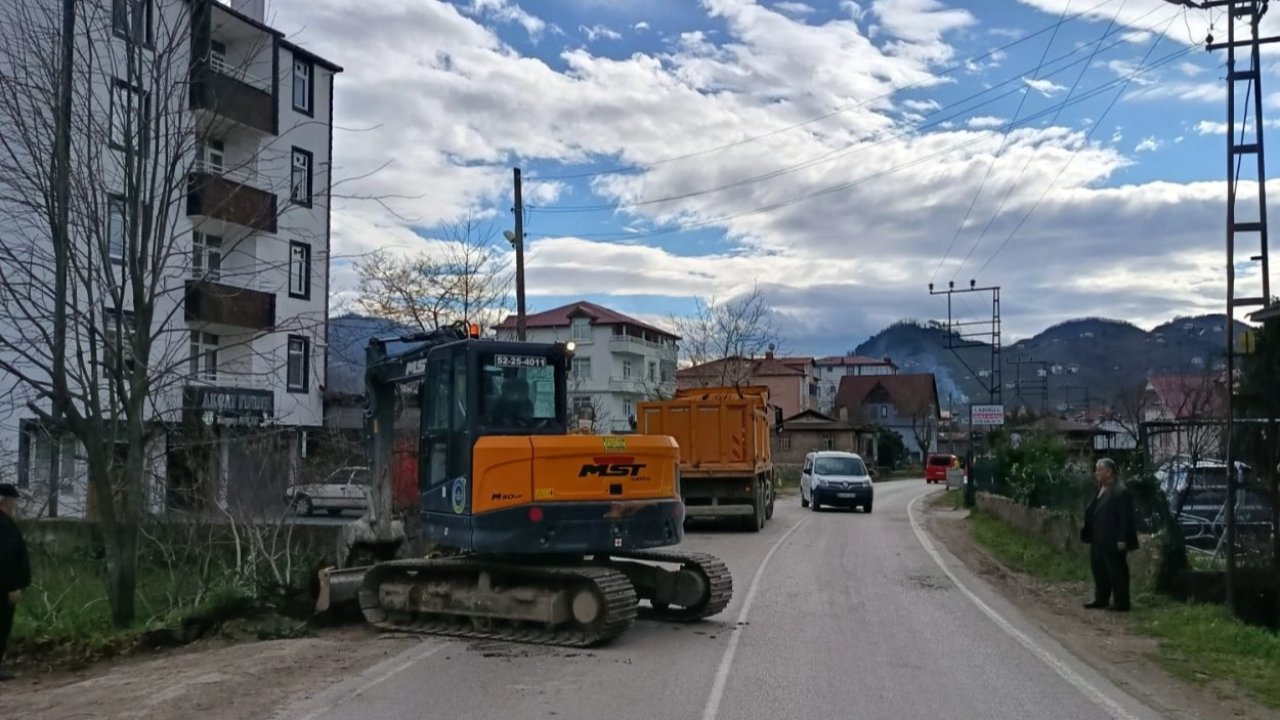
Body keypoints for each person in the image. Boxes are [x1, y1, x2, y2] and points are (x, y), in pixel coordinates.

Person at [1079, 458, 1138, 612]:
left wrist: (1122, 539)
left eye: (1099, 470)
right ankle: (1101, 598)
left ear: (1109, 472)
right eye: (1096, 470)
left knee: (1116, 571)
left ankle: (1121, 602)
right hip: (1097, 538)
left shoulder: (1120, 491)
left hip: (1113, 539)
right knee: (1099, 569)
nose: (1096, 473)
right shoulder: (1100, 488)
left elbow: (1126, 518)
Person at [0, 483, 30, 681]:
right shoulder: (4, 525)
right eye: (13, 501)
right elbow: (5, 557)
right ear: (5, 501)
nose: (15, 506)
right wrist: (11, 587)